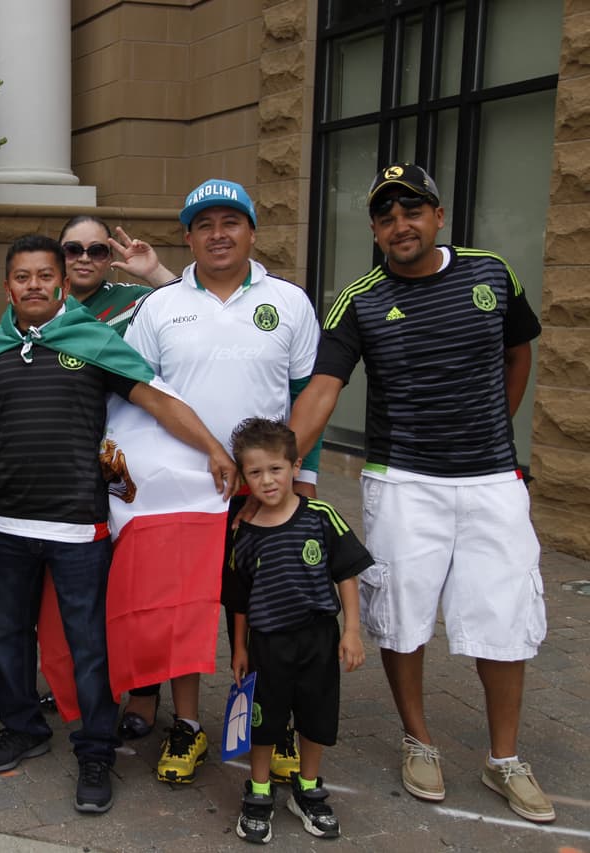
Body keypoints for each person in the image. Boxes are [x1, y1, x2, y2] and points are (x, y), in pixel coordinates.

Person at [289, 164, 552, 823]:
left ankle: (504, 758)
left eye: (412, 211)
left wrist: (495, 428)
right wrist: (274, 462)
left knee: (505, 613)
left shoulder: (493, 274)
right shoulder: (361, 300)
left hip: (492, 479)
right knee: (401, 616)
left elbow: (519, 351)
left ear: (438, 217)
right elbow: (323, 389)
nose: (400, 224)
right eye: (385, 216)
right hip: (403, 481)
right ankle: (420, 739)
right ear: (376, 233)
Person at [0, 234, 236, 814]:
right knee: (6, 637)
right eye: (22, 276)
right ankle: (22, 728)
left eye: (43, 276)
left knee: (88, 645)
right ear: (8, 286)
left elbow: (156, 401)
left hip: (80, 528)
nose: (33, 285)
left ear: (62, 284)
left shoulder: (93, 341)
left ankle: (96, 747)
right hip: (3, 525)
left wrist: (213, 447)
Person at [119, 179, 321, 783]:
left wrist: (302, 478)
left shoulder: (289, 303)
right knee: (186, 611)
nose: (218, 234)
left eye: (230, 222)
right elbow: (139, 397)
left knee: (266, 612)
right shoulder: (157, 307)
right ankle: (188, 726)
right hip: (183, 490)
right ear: (188, 238)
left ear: (252, 232)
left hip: (266, 492)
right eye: (204, 225)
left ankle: (271, 721)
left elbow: (307, 394)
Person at [225, 418, 369, 843]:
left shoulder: (320, 517)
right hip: (268, 644)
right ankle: (259, 791)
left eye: (275, 469)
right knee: (263, 721)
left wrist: (352, 631)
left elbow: (346, 573)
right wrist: (239, 647)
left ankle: (307, 788)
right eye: (255, 472)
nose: (267, 480)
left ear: (295, 466)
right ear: (244, 476)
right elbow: (238, 599)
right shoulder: (243, 534)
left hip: (319, 638)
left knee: (317, 717)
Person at [59, 215, 174, 335]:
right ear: (57, 254)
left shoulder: (133, 300)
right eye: (73, 250)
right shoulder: (41, 298)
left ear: (109, 259)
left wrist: (154, 272)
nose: (84, 259)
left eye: (97, 251)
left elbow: (186, 307)